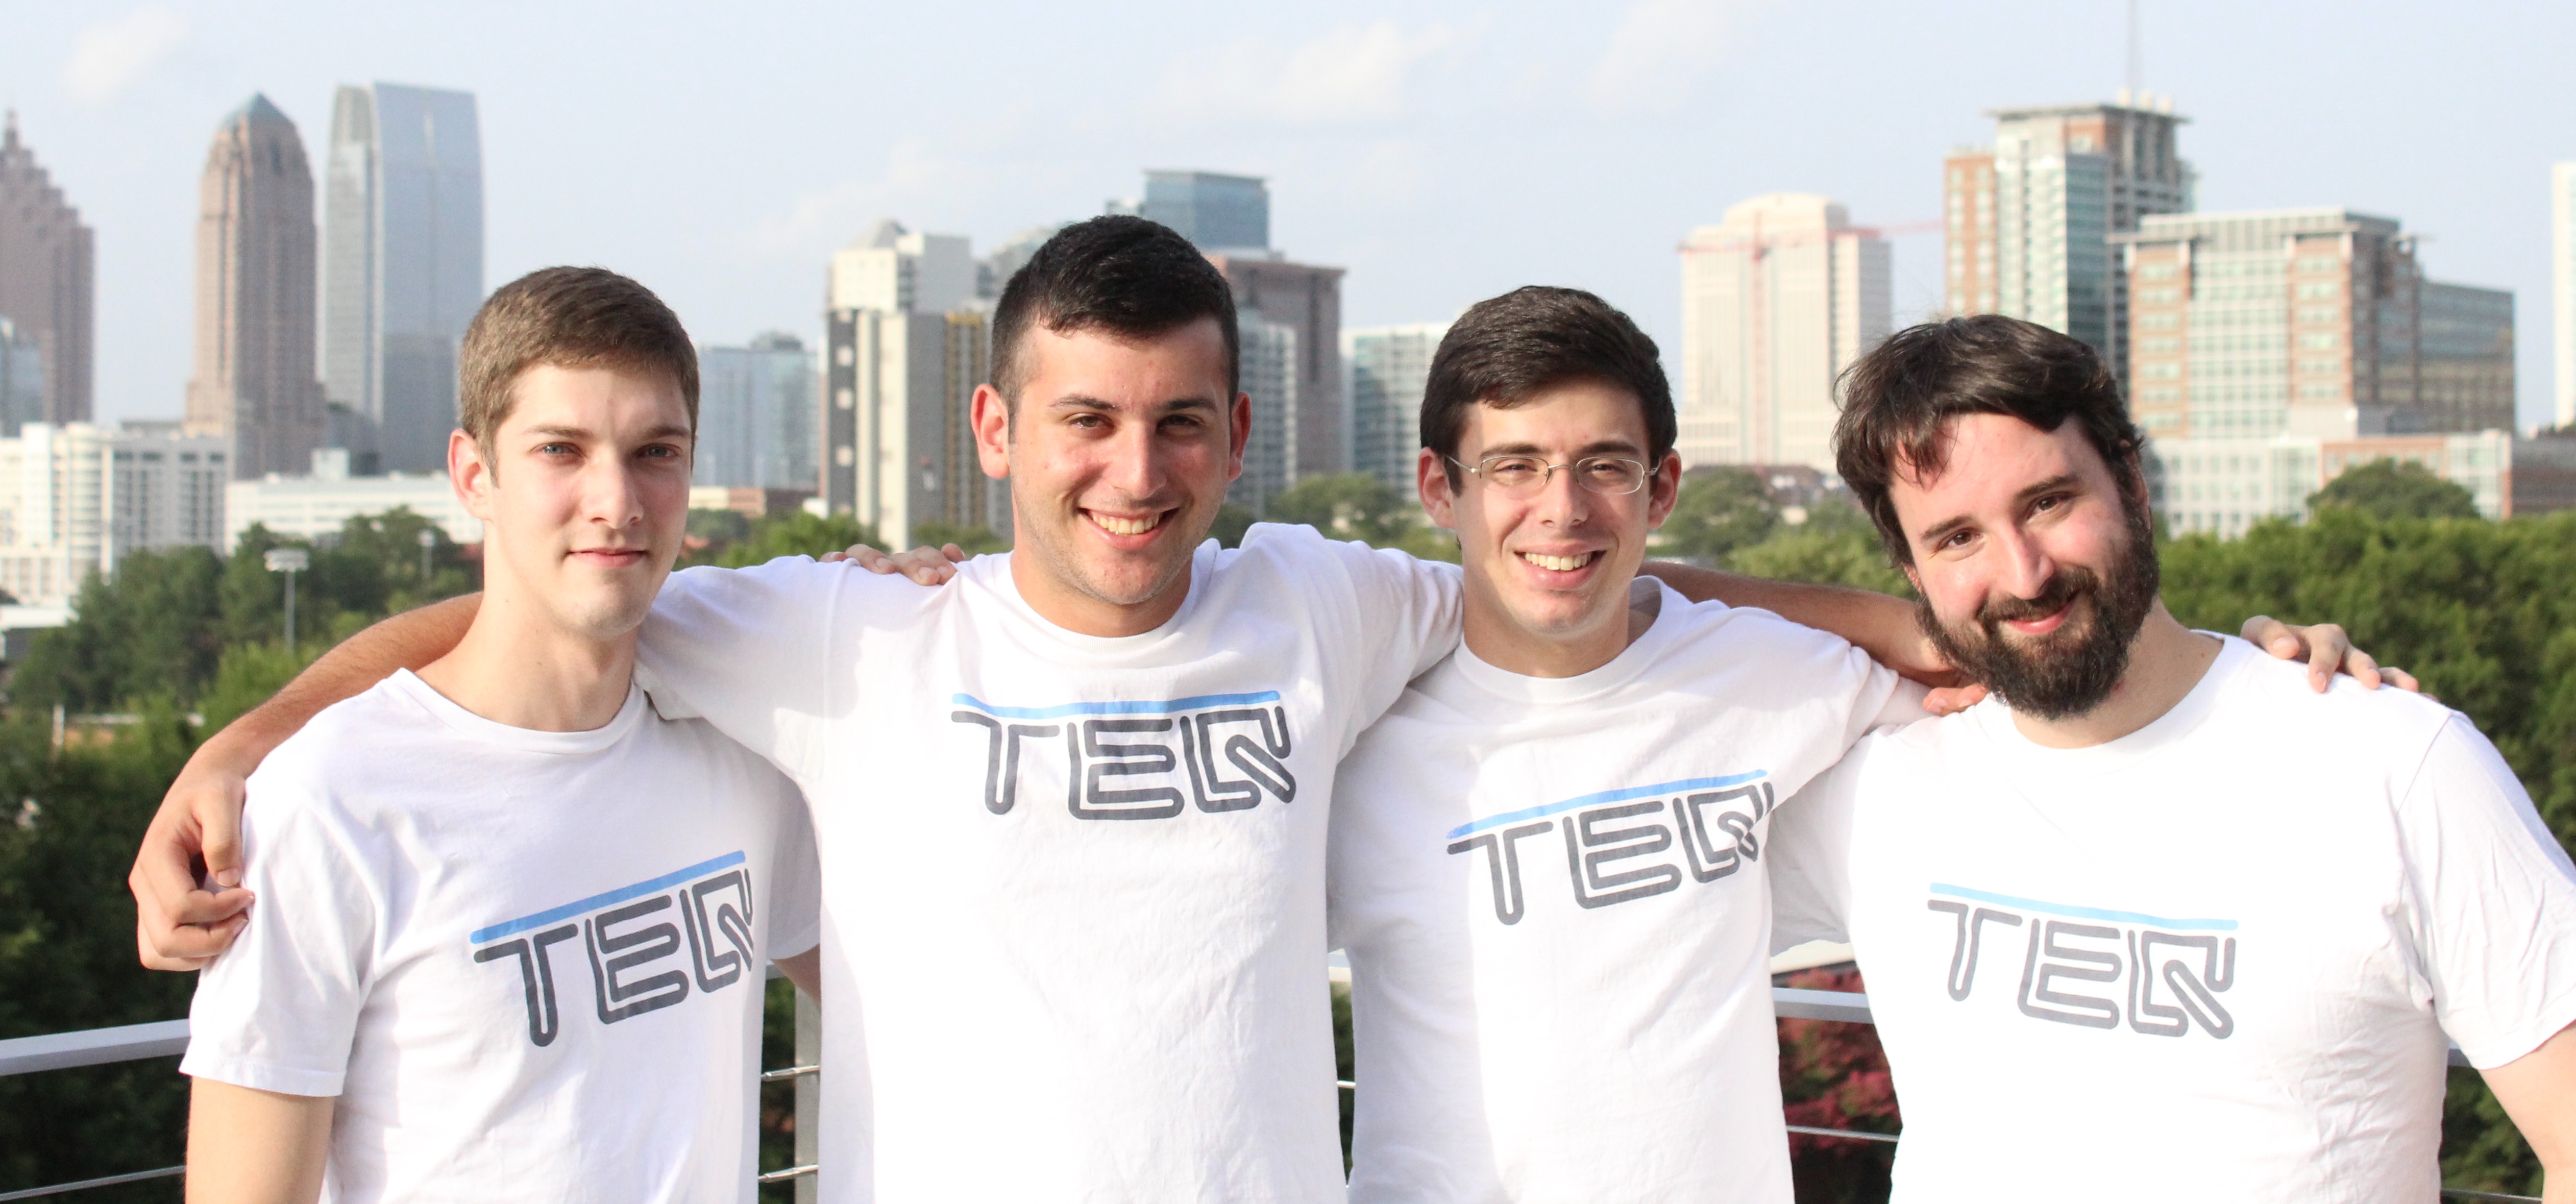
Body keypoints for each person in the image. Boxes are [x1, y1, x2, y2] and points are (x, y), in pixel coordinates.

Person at [139, 219, 1947, 1202]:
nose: (1132, 471)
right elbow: (549, 592)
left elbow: (1568, 577)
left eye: (1177, 423)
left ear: (1239, 437)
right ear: (997, 433)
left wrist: (1901, 619)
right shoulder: (841, 641)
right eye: (1082, 420)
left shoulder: (1320, 605)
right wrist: (242, 745)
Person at [1318, 291, 2387, 1204]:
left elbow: (2043, 675)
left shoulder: (1782, 677)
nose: (1562, 508)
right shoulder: (1352, 730)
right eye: (1514, 466)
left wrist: (2256, 672)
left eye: (1605, 465)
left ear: (1663, 488)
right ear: (1436, 488)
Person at [1766, 314, 2576, 1200]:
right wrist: (1880, 627)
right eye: (1957, 538)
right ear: (1911, 573)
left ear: (2132, 486)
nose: (2025, 573)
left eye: (2048, 503)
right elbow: (1608, 613)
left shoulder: (2394, 762)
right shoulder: (1876, 778)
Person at [179, 267, 821, 1203]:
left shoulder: (741, 757)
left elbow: (895, 994)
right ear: (475, 476)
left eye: (656, 452)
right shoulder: (330, 798)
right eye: (562, 450)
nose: (618, 501)